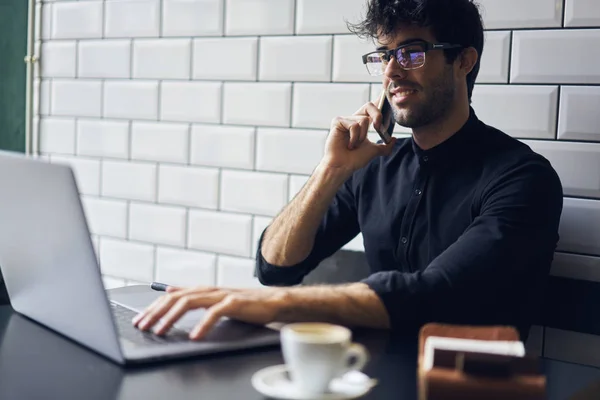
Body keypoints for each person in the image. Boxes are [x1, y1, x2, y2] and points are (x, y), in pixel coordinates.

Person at [133, 0, 563, 341]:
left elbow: (438, 295)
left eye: (411, 52)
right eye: (384, 55)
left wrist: (278, 305)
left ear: (464, 61)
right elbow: (275, 267)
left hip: (469, 388)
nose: (392, 71)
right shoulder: (375, 166)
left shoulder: (523, 179)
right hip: (367, 378)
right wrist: (331, 169)